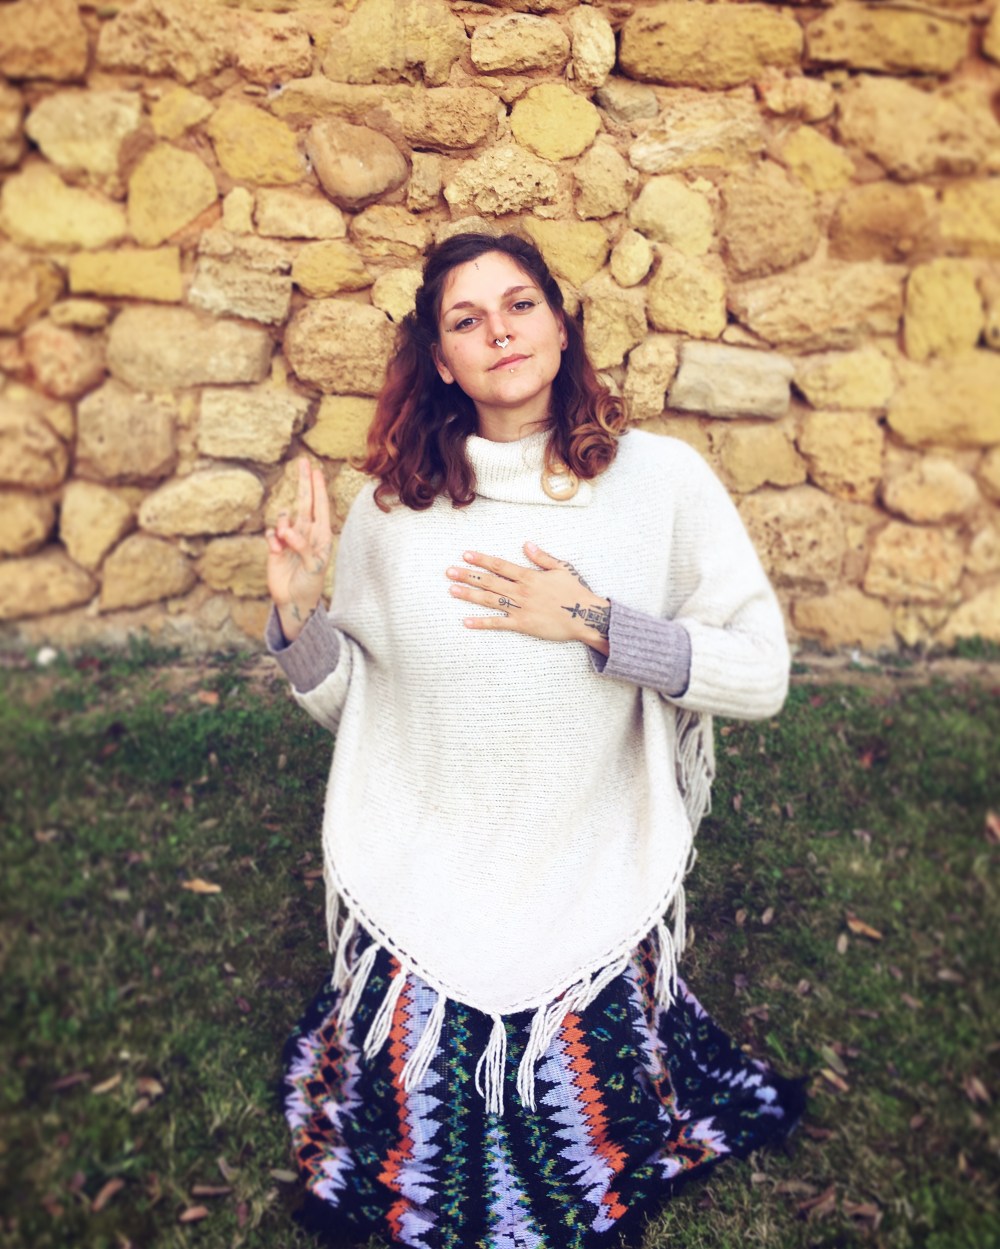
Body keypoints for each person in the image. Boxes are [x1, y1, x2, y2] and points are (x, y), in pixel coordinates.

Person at [266, 232, 805, 1249]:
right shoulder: (390, 512)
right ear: (440, 359)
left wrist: (595, 621)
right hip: (434, 856)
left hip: (586, 855)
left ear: (561, 325)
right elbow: (364, 715)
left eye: (520, 306)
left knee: (576, 1098)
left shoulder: (660, 482)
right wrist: (300, 616)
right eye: (466, 320)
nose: (499, 333)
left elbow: (760, 672)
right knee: (419, 1108)